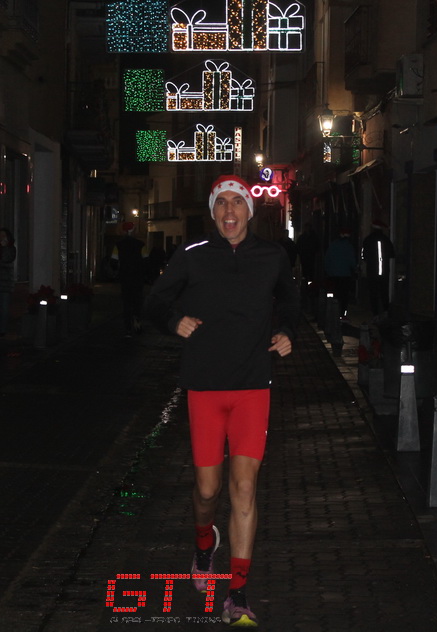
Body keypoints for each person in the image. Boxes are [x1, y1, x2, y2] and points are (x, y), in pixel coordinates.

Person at [144, 175, 300, 627]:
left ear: (250, 209)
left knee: (244, 488)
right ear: (212, 211)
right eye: (221, 204)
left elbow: (292, 302)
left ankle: (238, 594)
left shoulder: (272, 256)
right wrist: (174, 321)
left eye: (237, 203)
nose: (229, 212)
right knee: (208, 490)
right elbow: (154, 302)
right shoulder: (192, 254)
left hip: (252, 386)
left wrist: (287, 331)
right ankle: (203, 544)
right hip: (205, 387)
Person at [111, 221, 147, 336]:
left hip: (125, 277)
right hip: (138, 277)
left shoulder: (118, 245)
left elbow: (114, 261)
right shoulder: (141, 244)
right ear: (134, 230)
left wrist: (117, 271)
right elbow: (146, 261)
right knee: (137, 301)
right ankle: (137, 320)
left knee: (126, 303)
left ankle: (128, 328)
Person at [361, 219, 395, 318]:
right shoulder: (386, 240)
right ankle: (385, 310)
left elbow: (364, 256)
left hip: (372, 270)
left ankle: (375, 313)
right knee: (384, 291)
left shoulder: (368, 240)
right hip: (384, 271)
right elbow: (392, 254)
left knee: (373, 292)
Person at [323, 227, 357, 319]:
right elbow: (352, 262)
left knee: (335, 294)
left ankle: (333, 312)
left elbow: (327, 260)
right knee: (344, 295)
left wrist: (328, 271)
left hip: (333, 275)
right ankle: (342, 314)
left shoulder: (333, 245)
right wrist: (355, 269)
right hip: (345, 275)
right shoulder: (349, 247)